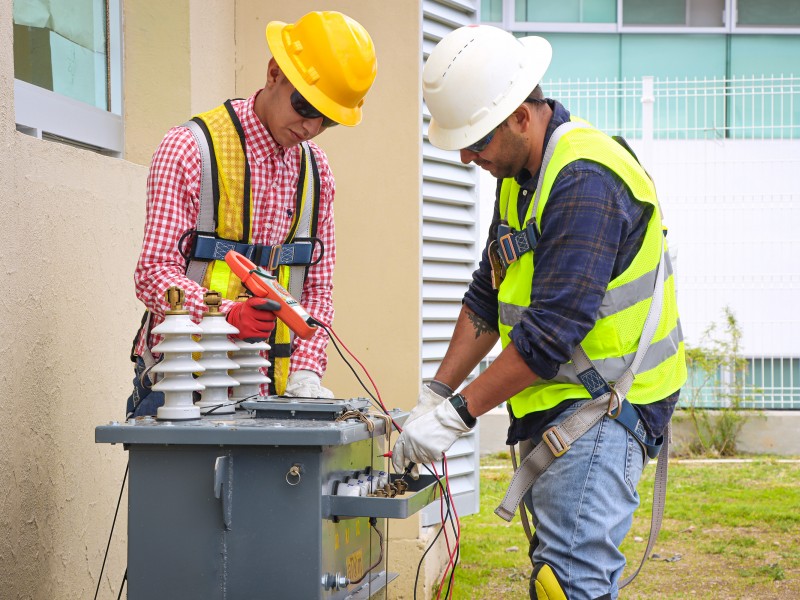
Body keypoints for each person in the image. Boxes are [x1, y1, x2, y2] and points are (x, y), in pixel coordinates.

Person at [391, 25, 686, 600]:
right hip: (565, 400)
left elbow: (550, 336)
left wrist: (456, 415)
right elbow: (486, 295)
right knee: (557, 576)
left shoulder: (583, 180)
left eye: (476, 141)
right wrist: (436, 391)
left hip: (605, 406)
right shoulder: (521, 175)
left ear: (522, 116)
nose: (466, 156)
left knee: (569, 582)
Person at [127, 11, 377, 418]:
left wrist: (307, 373)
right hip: (179, 392)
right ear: (274, 72)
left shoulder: (316, 174)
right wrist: (226, 317)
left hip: (271, 397)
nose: (311, 127)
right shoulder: (192, 149)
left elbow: (316, 292)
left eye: (327, 119)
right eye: (305, 105)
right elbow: (154, 273)